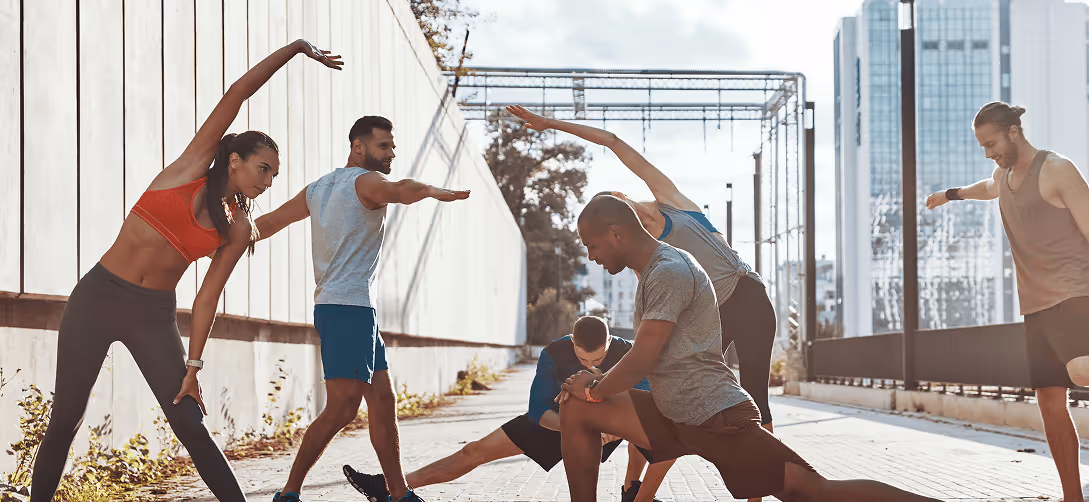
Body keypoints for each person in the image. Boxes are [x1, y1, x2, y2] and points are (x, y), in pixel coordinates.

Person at [25, 40, 341, 502]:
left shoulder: (237, 228)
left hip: (151, 314)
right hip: (97, 298)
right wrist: (294, 50)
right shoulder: (192, 165)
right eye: (263, 168)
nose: (268, 181)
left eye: (274, 175)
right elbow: (239, 92)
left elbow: (208, 297)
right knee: (66, 418)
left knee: (189, 423)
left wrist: (193, 366)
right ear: (235, 160)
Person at [553, 195, 940, 502]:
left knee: (814, 492)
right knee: (577, 409)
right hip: (672, 415)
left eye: (592, 244)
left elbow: (644, 355)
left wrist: (594, 386)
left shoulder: (669, 269)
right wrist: (588, 391)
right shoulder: (654, 270)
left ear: (616, 233)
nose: (591, 255)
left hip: (715, 417)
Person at [505, 105, 778, 438]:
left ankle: (768, 483)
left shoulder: (674, 203)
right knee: (672, 392)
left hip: (748, 297)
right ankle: (635, 487)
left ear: (620, 201)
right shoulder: (648, 258)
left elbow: (612, 140)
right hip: (712, 316)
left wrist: (550, 124)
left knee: (755, 394)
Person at [926, 101, 1089, 502]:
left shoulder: (1058, 170)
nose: (989, 153)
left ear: (1013, 131)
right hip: (1035, 301)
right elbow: (988, 189)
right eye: (983, 148)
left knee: (1085, 372)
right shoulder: (1002, 175)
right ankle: (1072, 495)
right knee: (1051, 403)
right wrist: (951, 194)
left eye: (991, 144)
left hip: (1074, 288)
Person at [253, 116, 470, 502]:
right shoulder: (367, 181)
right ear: (359, 147)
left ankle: (398, 493)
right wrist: (436, 190)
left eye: (392, 146)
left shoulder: (318, 187)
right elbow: (401, 189)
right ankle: (288, 493)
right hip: (347, 309)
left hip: (352, 310)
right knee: (341, 410)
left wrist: (225, 229)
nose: (391, 152)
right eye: (383, 146)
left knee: (383, 402)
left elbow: (266, 224)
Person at [340, 316, 676, 502]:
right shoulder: (554, 353)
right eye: (583, 358)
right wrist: (574, 426)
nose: (590, 365)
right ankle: (387, 487)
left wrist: (611, 429)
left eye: (598, 359)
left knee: (659, 431)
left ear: (610, 343)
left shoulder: (627, 353)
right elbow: (537, 411)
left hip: (609, 423)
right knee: (474, 451)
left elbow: (647, 402)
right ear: (571, 343)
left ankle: (633, 492)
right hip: (559, 423)